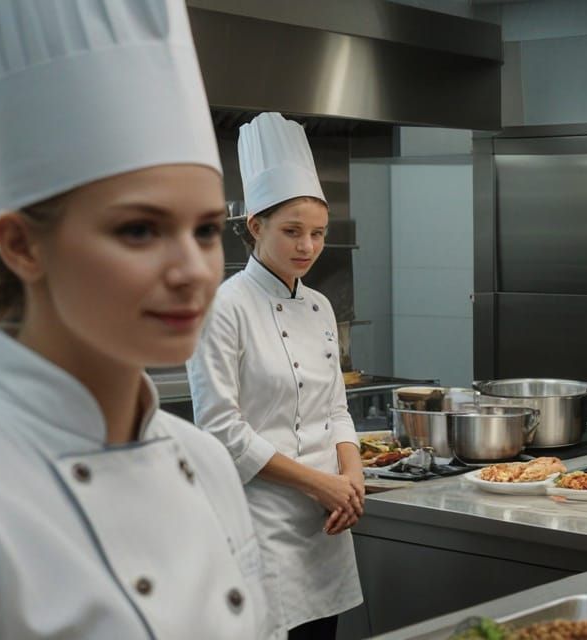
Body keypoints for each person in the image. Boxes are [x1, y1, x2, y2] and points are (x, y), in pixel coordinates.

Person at [0, 1, 273, 637]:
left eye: (204, 230)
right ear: (22, 246)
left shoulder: (205, 463)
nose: (194, 270)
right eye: (140, 229)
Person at [188, 112, 363, 639]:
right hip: (259, 523)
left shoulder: (319, 305)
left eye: (317, 234)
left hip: (327, 529)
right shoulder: (223, 307)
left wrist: (350, 478)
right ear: (254, 226)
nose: (307, 247)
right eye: (292, 232)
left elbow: (336, 409)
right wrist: (321, 484)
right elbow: (221, 431)